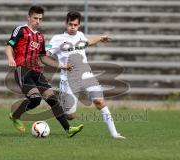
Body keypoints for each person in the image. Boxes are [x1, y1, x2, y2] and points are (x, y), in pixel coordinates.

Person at [5, 6, 83, 137]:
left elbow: (43, 58)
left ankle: (68, 129)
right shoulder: (21, 30)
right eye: (35, 18)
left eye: (40, 19)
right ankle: (15, 115)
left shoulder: (40, 37)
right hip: (22, 70)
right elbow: (9, 46)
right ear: (29, 17)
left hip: (36, 72)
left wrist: (62, 66)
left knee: (52, 100)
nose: (37, 21)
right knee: (35, 100)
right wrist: (10, 58)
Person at [46, 11, 125, 139]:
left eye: (75, 25)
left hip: (86, 75)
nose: (73, 27)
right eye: (70, 24)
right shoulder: (57, 39)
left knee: (99, 101)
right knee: (70, 116)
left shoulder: (80, 35)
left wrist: (100, 38)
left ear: (79, 25)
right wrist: (61, 65)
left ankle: (115, 134)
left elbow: (88, 41)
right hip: (68, 79)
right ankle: (58, 112)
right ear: (66, 23)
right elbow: (46, 56)